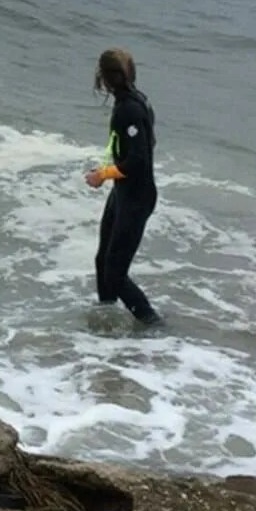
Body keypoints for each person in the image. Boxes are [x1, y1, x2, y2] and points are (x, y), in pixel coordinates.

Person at [83, 47, 162, 326]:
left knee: (115, 273)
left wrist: (103, 174)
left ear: (103, 78)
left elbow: (137, 160)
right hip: (124, 193)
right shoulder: (134, 101)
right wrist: (110, 172)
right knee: (103, 262)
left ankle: (153, 325)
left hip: (137, 198)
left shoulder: (129, 109)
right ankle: (105, 322)